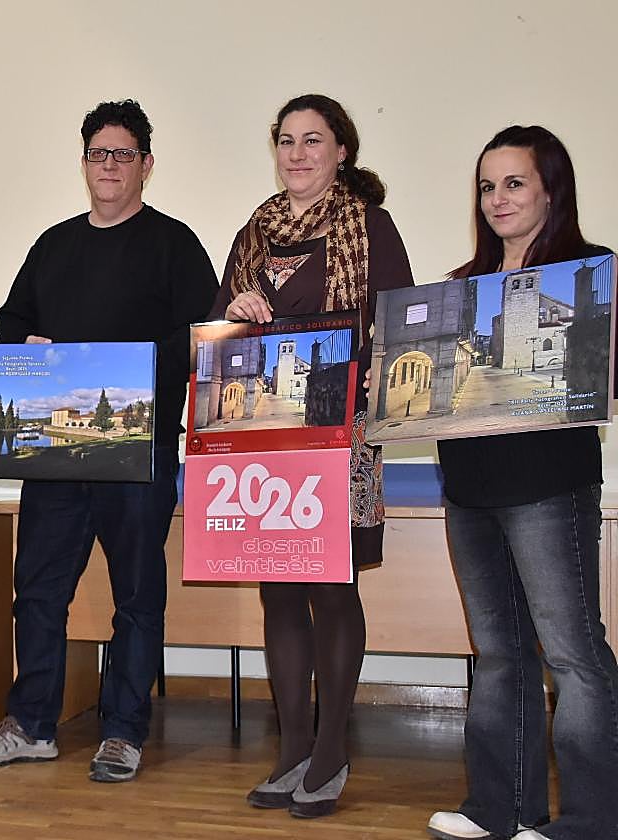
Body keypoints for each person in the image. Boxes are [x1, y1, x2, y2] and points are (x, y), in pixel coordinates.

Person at [0, 99, 218, 783]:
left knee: (137, 593)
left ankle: (125, 731)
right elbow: (11, 323)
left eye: (123, 154)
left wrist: (122, 368)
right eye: (98, 154)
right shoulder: (53, 244)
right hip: (53, 453)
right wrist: (28, 346)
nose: (109, 165)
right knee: (38, 588)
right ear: (83, 164)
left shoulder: (175, 244)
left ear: (146, 165)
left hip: (141, 450)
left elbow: (201, 338)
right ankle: (33, 724)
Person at [212, 94, 414, 817]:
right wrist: (234, 312)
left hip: (341, 435)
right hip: (264, 441)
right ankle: (292, 746)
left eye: (313, 140)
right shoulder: (255, 231)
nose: (297, 154)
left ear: (342, 153)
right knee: (278, 590)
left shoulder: (369, 227)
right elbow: (213, 337)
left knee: (332, 589)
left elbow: (396, 334)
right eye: (287, 141)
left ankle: (331, 750)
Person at [426, 127, 618, 840]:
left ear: (549, 189)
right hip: (469, 491)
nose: (497, 198)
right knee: (499, 653)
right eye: (487, 185)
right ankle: (499, 810)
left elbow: (604, 382)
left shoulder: (592, 272)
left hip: (548, 488)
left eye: (513, 183)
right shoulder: (459, 288)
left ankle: (594, 821)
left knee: (571, 651)